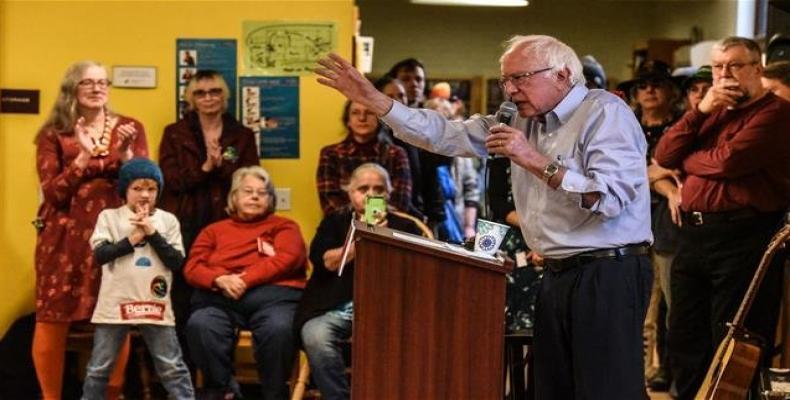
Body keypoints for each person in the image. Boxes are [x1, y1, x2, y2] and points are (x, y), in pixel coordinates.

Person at [316, 34, 653, 399]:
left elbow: (611, 196)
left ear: (563, 74)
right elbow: (445, 134)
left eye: (520, 78)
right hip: (557, 273)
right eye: (504, 80)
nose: (509, 90)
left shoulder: (604, 113)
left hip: (608, 271)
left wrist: (533, 160)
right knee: (553, 388)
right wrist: (377, 101)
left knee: (607, 389)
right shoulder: (523, 121)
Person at [655, 36, 790, 400]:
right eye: (718, 67)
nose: (725, 75)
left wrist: (690, 158)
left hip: (744, 235)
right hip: (692, 235)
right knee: (684, 333)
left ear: (757, 69)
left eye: (735, 65)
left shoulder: (776, 113)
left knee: (731, 338)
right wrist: (699, 113)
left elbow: (728, 161)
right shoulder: (712, 110)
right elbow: (665, 155)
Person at [32, 60, 148, 400]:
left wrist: (126, 155)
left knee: (115, 315)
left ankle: (110, 395)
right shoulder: (53, 134)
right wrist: (82, 156)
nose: (98, 88)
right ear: (72, 89)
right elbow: (53, 193)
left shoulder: (129, 127)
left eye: (103, 82)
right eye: (88, 83)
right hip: (63, 239)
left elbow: (142, 184)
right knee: (53, 315)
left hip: (115, 233)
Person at [294, 163, 422, 400]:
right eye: (363, 189)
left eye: (379, 189)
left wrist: (387, 237)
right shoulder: (334, 222)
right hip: (337, 308)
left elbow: (418, 273)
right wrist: (362, 240)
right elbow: (325, 262)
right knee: (315, 335)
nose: (371, 195)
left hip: (392, 311)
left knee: (416, 339)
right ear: (350, 193)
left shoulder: (406, 226)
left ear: (389, 194)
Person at [159, 69, 260, 363]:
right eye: (201, 93)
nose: (208, 98)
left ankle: (218, 377)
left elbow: (248, 179)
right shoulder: (174, 133)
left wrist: (220, 166)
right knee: (182, 301)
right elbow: (170, 182)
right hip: (185, 225)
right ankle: (184, 376)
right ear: (191, 98)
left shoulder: (241, 135)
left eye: (214, 91)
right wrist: (205, 168)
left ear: (224, 97)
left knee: (220, 298)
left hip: (228, 227)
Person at [184, 166, 307, 400]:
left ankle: (274, 394)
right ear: (234, 197)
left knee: (279, 329)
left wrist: (244, 279)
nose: (255, 197)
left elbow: (288, 258)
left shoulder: (285, 226)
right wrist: (219, 279)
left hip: (274, 299)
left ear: (271, 199)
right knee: (201, 325)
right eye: (248, 191)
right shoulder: (213, 231)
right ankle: (225, 390)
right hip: (222, 298)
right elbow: (192, 267)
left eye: (262, 193)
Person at [81, 158, 194, 400]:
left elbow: (176, 261)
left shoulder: (168, 220)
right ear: (125, 190)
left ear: (159, 191)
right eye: (137, 188)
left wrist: (151, 233)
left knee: (172, 367)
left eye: (151, 189)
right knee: (98, 368)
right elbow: (101, 255)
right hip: (115, 304)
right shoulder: (109, 217)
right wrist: (132, 239)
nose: (144, 195)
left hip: (155, 304)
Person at [619, 59, 682, 391]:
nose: (649, 90)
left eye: (656, 84)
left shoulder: (682, 126)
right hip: (629, 223)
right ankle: (640, 375)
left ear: (671, 90)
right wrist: (662, 178)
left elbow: (682, 165)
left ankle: (667, 370)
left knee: (673, 307)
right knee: (641, 306)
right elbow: (629, 173)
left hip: (674, 225)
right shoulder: (626, 125)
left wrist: (656, 175)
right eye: (642, 85)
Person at [317, 100, 412, 215]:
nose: (362, 118)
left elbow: (400, 202)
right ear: (348, 121)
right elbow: (330, 205)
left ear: (379, 119)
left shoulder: (396, 154)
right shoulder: (331, 154)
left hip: (388, 227)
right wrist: (363, 221)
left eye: (369, 113)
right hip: (343, 227)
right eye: (355, 113)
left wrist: (371, 220)